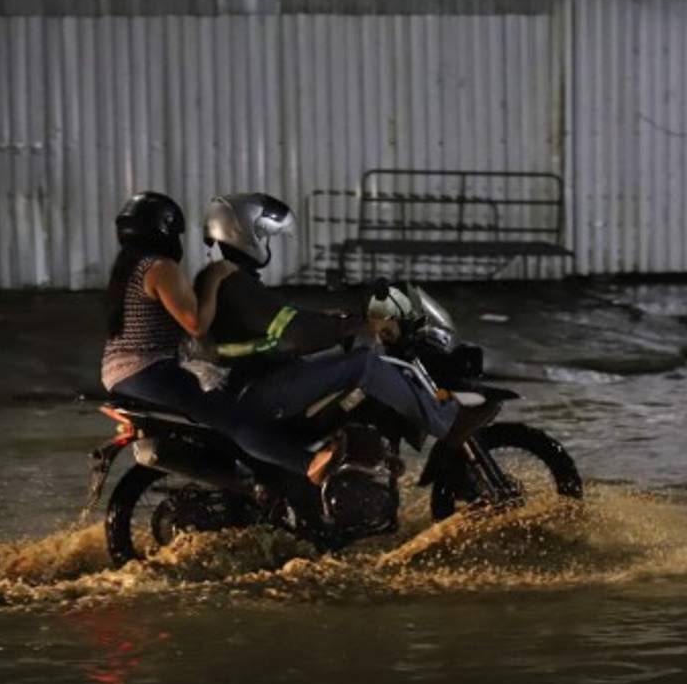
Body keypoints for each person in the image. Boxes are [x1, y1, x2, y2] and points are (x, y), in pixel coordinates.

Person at [195, 193, 460, 448]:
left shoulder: (229, 279)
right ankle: (442, 421)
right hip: (258, 389)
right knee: (365, 364)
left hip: (256, 379)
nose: (266, 242)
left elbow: (282, 319)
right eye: (264, 235)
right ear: (242, 234)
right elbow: (298, 332)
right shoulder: (236, 285)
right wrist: (365, 325)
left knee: (344, 367)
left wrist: (335, 321)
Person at [99, 191, 330, 483]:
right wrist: (215, 277)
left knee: (215, 414)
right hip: (149, 371)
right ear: (165, 230)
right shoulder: (160, 268)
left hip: (119, 375)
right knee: (236, 417)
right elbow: (196, 323)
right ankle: (308, 464)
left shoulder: (128, 270)